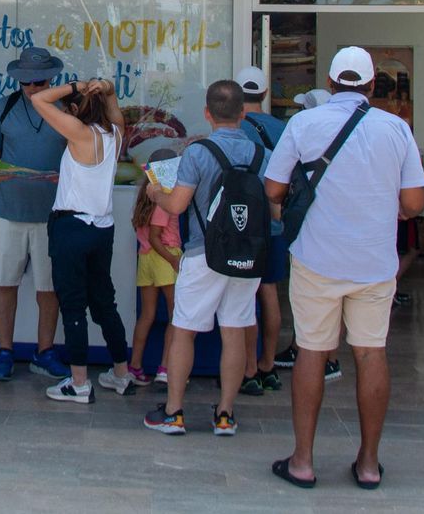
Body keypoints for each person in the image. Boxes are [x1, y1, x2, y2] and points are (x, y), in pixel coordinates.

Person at [263, 47, 424, 491]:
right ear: (372, 86)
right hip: (374, 262)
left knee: (312, 352)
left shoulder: (304, 123)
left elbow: (274, 188)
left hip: (317, 258)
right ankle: (369, 464)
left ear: (331, 83)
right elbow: (414, 204)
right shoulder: (396, 129)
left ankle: (302, 461)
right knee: (371, 352)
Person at [144, 80, 263, 436]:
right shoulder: (260, 153)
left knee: (184, 331)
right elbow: (273, 208)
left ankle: (174, 412)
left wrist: (155, 194)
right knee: (234, 331)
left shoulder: (198, 153)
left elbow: (178, 205)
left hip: (203, 253)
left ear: (207, 113)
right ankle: (225, 415)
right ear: (243, 112)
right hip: (246, 256)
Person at [30, 78, 135, 403]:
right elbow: (116, 108)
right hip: (102, 229)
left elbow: (39, 100)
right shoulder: (116, 134)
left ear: (76, 110)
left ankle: (78, 382)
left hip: (72, 226)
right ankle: (120, 373)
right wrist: (107, 88)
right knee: (104, 302)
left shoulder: (79, 133)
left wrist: (75, 84)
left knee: (73, 305)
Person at [0, 47, 70, 382]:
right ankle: (4, 350)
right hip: (9, 209)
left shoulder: (67, 108)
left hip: (54, 212)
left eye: (39, 81)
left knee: (49, 288)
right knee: (5, 282)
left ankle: (44, 351)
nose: (33, 87)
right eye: (26, 82)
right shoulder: (3, 106)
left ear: (51, 78)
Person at [272, 86, 342, 382]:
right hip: (337, 230)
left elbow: (276, 187)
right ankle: (325, 357)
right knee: (335, 298)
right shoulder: (348, 138)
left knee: (310, 298)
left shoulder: (303, 134)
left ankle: (315, 355)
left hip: (311, 229)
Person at [234, 66, 288, 396]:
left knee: (243, 297)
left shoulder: (233, 128)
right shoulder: (282, 129)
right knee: (269, 294)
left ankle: (249, 369)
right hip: (274, 222)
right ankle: (269, 363)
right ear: (265, 94)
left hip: (242, 224)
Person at [127, 149, 179, 386]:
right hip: (165, 257)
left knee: (146, 315)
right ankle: (165, 368)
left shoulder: (143, 196)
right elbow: (157, 236)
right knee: (175, 316)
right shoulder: (164, 197)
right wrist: (173, 260)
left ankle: (135, 365)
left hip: (145, 259)